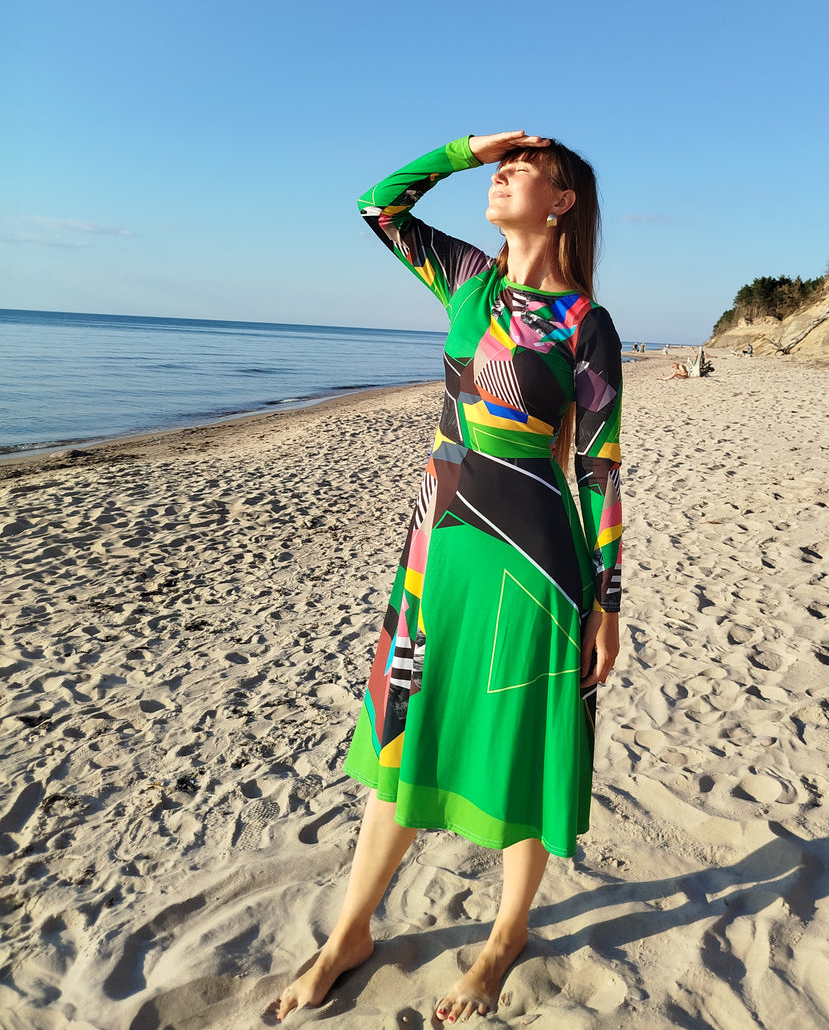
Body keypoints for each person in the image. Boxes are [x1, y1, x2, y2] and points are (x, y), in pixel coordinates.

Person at [275, 131, 623, 1024]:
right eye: (500, 167)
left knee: (520, 748)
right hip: (437, 551)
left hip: (537, 566)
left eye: (522, 169)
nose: (503, 175)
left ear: (563, 202)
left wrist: (608, 602)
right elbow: (378, 203)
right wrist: (467, 149)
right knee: (404, 739)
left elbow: (599, 465)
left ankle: (505, 938)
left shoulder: (586, 323)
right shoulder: (469, 280)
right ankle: (349, 933)